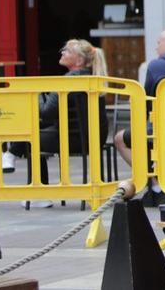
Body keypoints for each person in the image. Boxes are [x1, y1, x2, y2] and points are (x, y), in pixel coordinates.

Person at [24, 38, 108, 209]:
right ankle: (8, 157)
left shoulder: (68, 80)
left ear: (79, 60)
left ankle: (41, 195)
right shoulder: (93, 78)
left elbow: (46, 112)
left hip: (72, 139)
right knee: (36, 130)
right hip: (94, 138)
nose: (62, 52)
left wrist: (37, 94)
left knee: (30, 139)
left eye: (67, 51)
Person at [115, 28, 165, 206]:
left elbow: (146, 102)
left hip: (160, 127)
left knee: (121, 138)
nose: (156, 48)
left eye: (159, 43)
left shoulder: (157, 66)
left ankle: (156, 183)